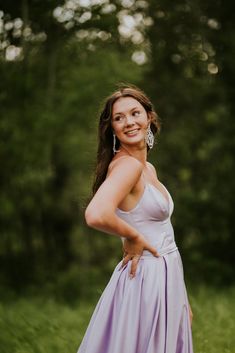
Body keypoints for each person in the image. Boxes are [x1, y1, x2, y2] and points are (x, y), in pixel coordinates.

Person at [77, 85, 194, 353]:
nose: (129, 122)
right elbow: (96, 214)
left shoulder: (146, 167)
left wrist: (181, 298)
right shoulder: (127, 165)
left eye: (135, 113)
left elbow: (165, 233)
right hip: (146, 281)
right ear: (112, 129)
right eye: (119, 118)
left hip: (166, 277)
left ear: (149, 118)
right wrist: (133, 236)